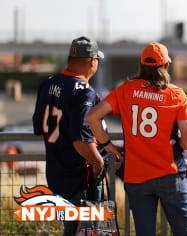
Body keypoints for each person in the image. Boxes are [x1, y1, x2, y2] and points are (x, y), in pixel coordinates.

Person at [86, 42, 187, 236]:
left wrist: (107, 145)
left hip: (136, 176)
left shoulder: (126, 90)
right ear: (166, 66)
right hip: (170, 173)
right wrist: (176, 143)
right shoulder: (176, 95)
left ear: (141, 65)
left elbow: (92, 117)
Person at [32, 36, 109, 236]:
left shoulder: (48, 83)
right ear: (92, 61)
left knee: (71, 228)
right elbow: (80, 138)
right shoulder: (84, 92)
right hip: (80, 176)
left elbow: (39, 126)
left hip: (57, 172)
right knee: (86, 231)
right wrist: (98, 161)